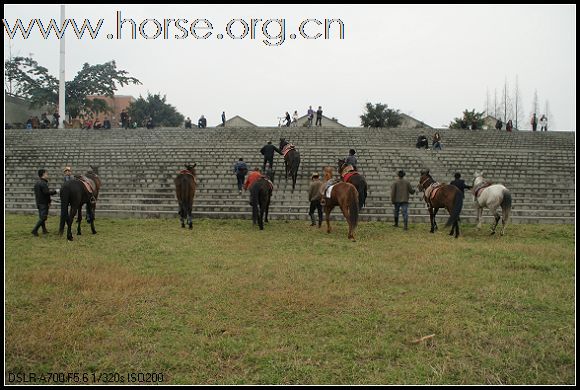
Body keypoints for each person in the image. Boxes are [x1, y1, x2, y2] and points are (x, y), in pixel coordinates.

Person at [32, 169, 58, 236]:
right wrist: (55, 191)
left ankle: (44, 230)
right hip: (43, 203)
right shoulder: (43, 183)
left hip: (39, 202)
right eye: (46, 174)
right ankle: (35, 230)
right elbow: (46, 193)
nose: (47, 175)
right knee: (43, 217)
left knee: (42, 217)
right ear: (43, 174)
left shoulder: (37, 183)